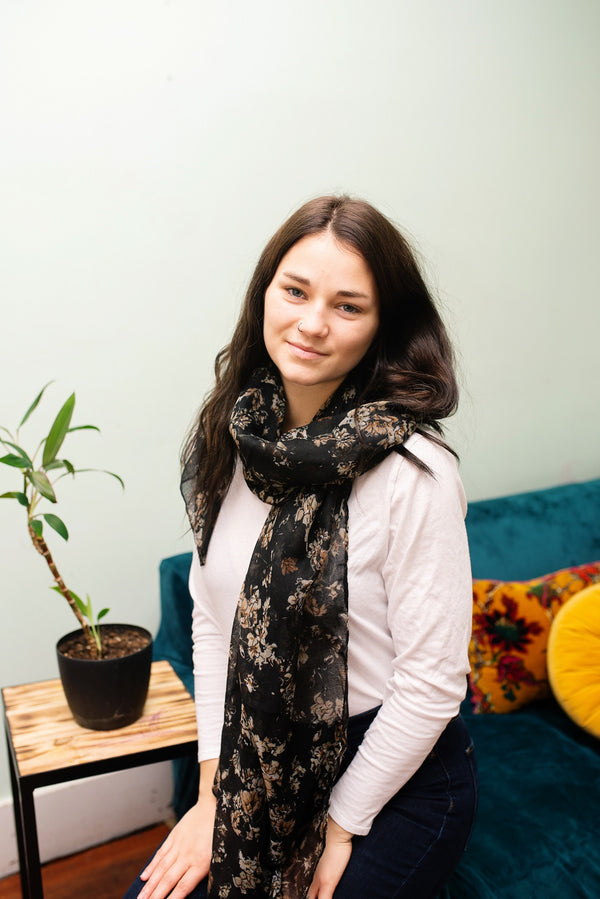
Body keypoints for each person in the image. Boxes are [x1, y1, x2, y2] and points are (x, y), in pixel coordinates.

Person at [124, 195, 477, 899]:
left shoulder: (416, 474)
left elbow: (433, 686)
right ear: (265, 295)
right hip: (260, 755)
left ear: (383, 327)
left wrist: (340, 824)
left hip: (397, 771)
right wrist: (212, 790)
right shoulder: (228, 436)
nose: (312, 323)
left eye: (349, 306)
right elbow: (213, 617)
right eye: (295, 291)